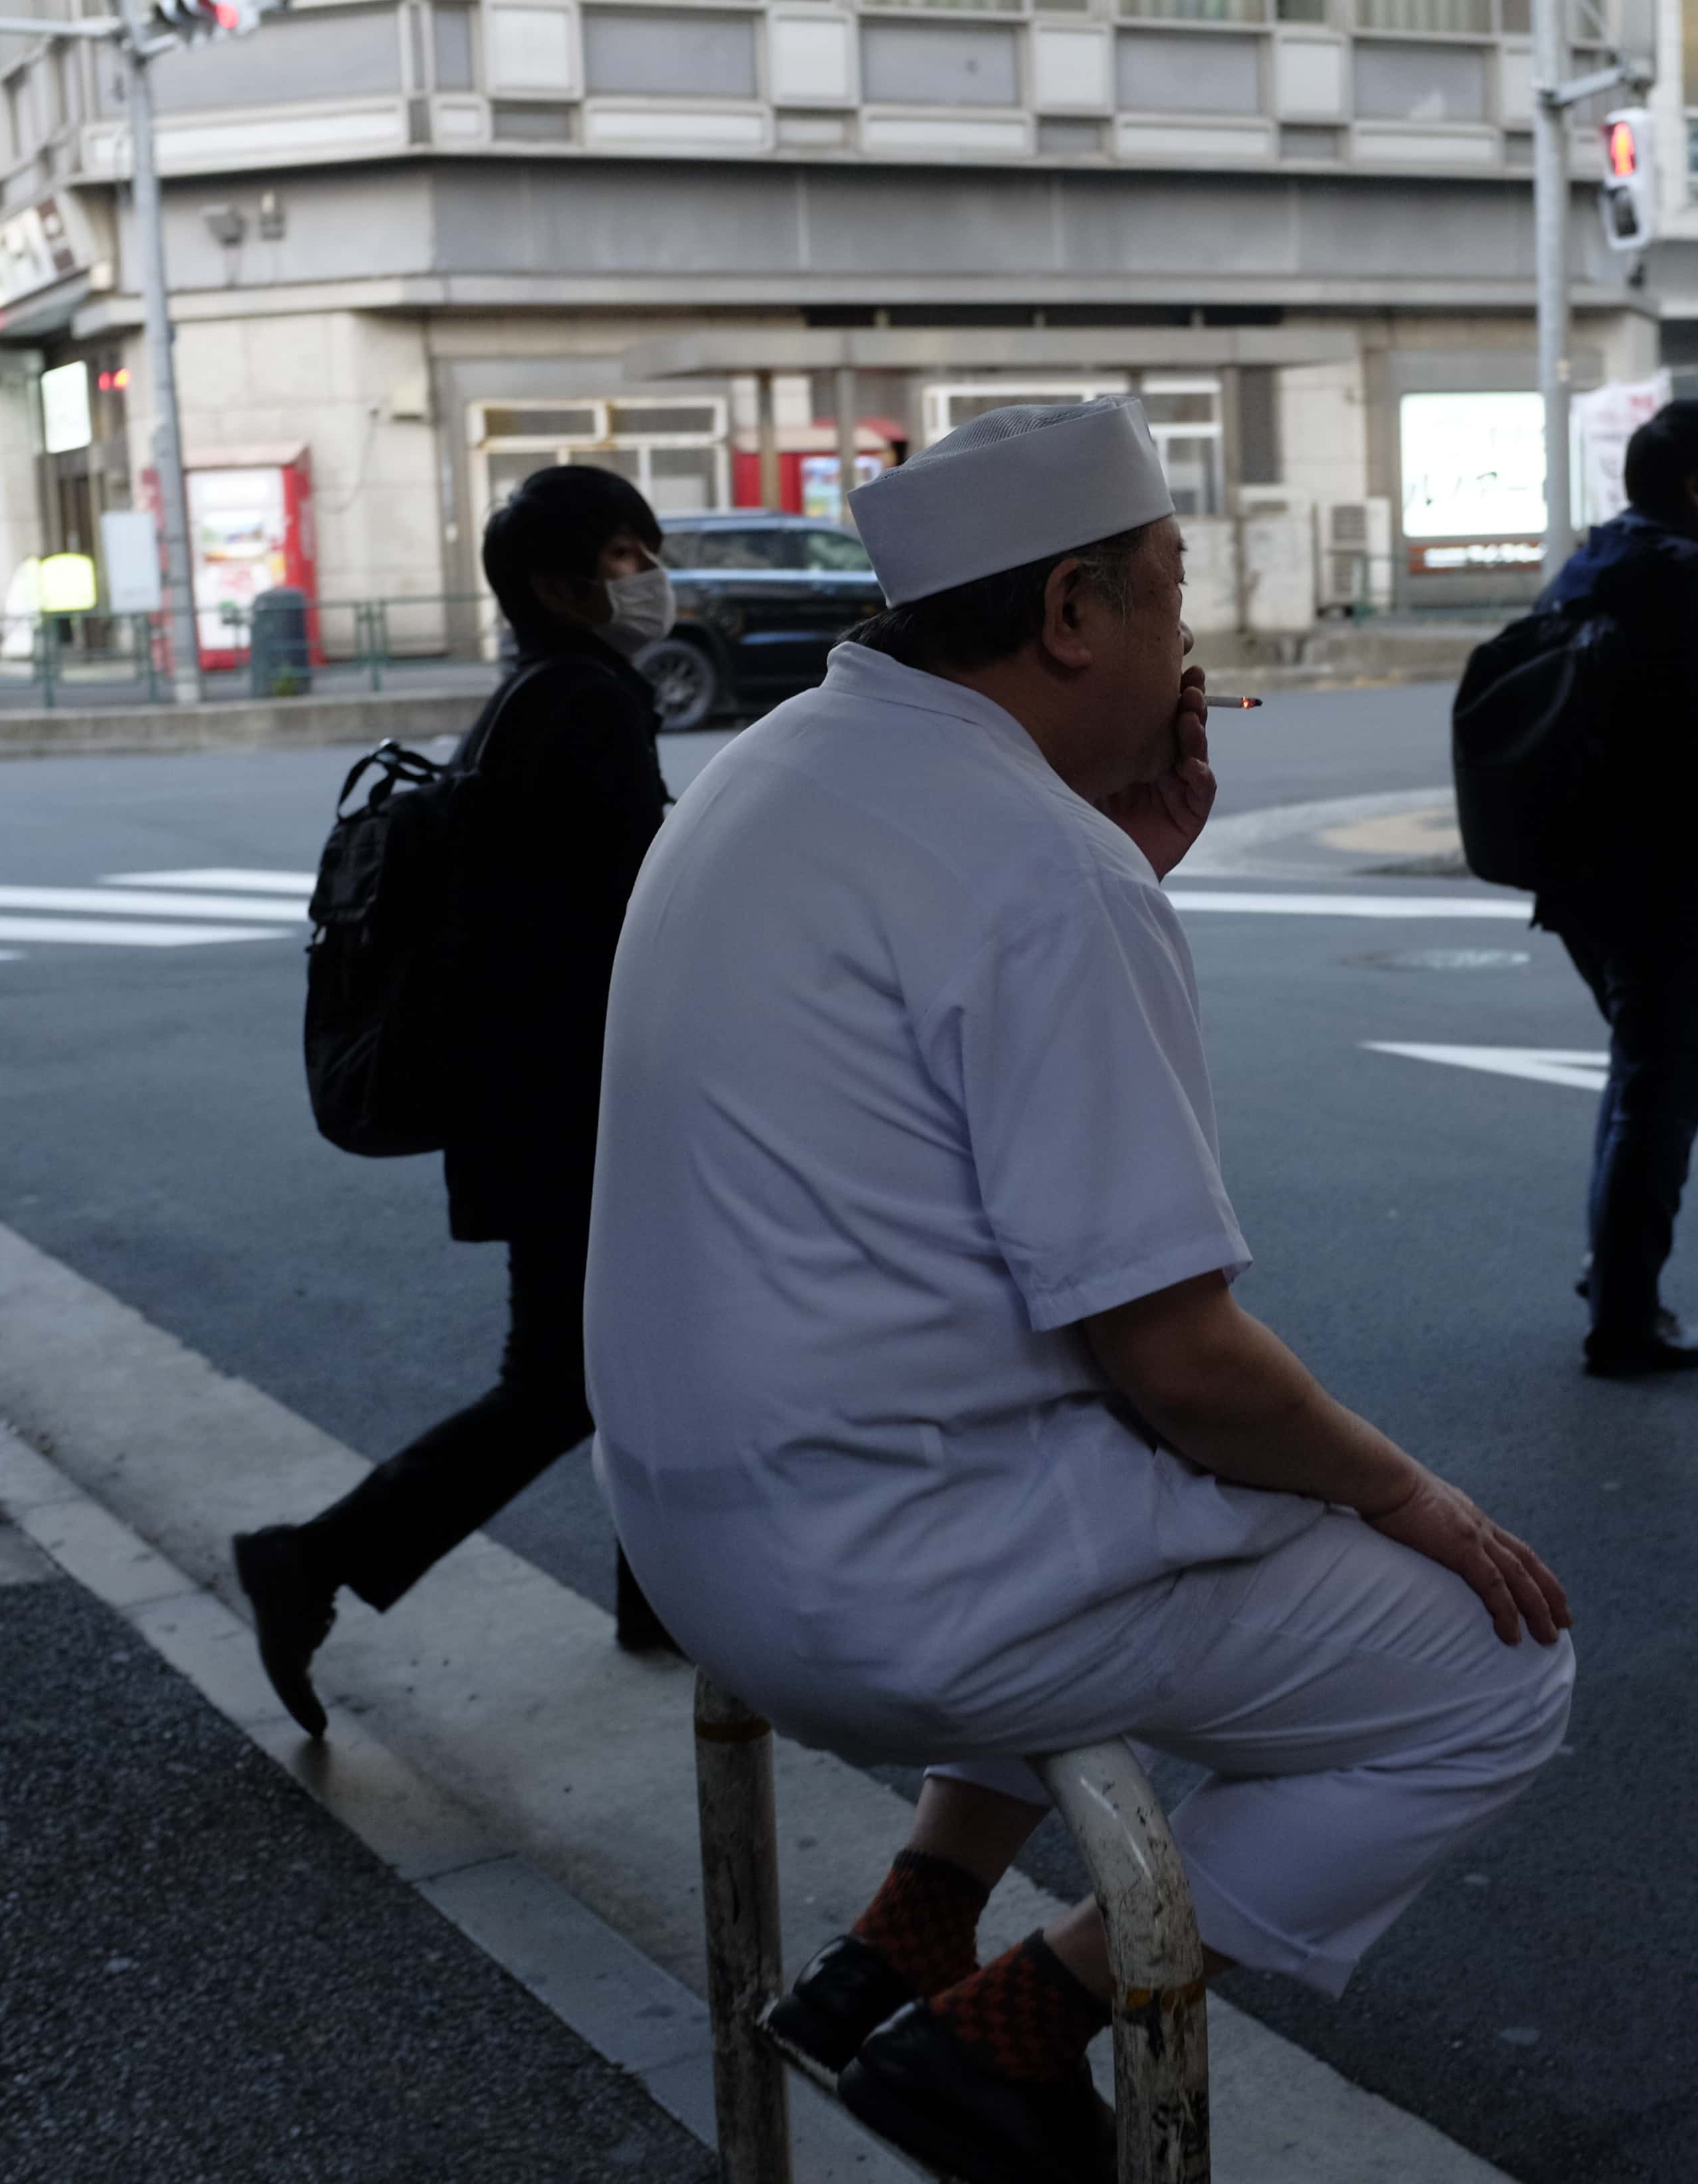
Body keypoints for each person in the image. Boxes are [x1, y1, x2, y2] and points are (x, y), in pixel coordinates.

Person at [584, 399, 1574, 2181]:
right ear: (1070, 615)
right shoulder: (1040, 865)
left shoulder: (776, 768)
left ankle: (906, 1930)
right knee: (1493, 1678)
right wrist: (1412, 1494)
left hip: (691, 1542)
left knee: (1163, 1490)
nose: (1191, 645)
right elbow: (1178, 1355)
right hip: (886, 1569)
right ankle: (1011, 2028)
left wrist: (1126, 859)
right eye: (1172, 595)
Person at [232, 466, 683, 1737]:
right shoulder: (586, 702)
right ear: (558, 583)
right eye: (625, 554)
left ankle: (663, 1598)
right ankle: (311, 1560)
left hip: (536, 1092)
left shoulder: (533, 698)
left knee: (638, 1356)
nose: (648, 574)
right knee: (564, 1376)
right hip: (570, 1101)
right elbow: (628, 911)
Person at [1530, 397, 1698, 1375]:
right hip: (1664, 879)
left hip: (1577, 870)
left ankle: (1615, 1270)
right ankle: (1627, 1317)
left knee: (1636, 1077)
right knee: (1659, 1096)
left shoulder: (1592, 563)